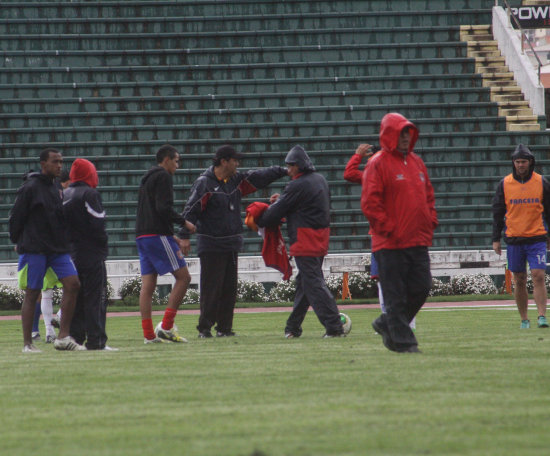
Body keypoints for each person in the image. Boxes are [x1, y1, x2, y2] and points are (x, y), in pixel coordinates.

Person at [181, 145, 288, 338]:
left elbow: (259, 176)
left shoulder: (236, 181)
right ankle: (204, 329)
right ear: (224, 161)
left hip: (231, 243)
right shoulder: (204, 183)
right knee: (211, 289)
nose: (237, 164)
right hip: (211, 243)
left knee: (229, 289)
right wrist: (184, 235)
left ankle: (224, 328)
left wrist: (283, 170)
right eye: (235, 160)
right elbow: (191, 210)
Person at [361, 113, 438, 353]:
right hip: (390, 243)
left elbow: (428, 195)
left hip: (417, 239)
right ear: (389, 134)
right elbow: (370, 202)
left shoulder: (417, 162)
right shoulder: (377, 163)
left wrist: (430, 220)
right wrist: (388, 229)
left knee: (422, 287)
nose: (406, 137)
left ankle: (387, 322)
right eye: (401, 132)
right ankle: (405, 344)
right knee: (395, 296)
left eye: (408, 133)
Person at [255, 145, 346, 338]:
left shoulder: (297, 185)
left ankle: (334, 326)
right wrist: (284, 200)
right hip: (320, 238)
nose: (288, 171)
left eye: (290, 166)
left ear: (298, 166)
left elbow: (276, 212)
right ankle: (293, 328)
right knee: (305, 284)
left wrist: (260, 219)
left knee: (313, 284)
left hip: (305, 240)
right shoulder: (319, 180)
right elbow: (303, 204)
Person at [9, 148, 85, 352]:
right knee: (33, 292)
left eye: (61, 161)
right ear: (44, 164)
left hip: (57, 249)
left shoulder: (55, 187)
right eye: (55, 162)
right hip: (35, 248)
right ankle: (27, 344)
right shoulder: (30, 188)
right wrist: (18, 240)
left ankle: (62, 337)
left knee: (73, 284)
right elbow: (16, 218)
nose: (60, 165)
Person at [343, 144, 417, 331]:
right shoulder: (397, 175)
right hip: (396, 233)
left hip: (384, 235)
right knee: (391, 279)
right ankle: (402, 321)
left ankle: (393, 319)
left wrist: (357, 156)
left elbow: (349, 174)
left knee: (386, 279)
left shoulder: (374, 176)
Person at [136, 144, 196, 344]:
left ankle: (148, 335)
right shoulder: (163, 176)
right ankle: (167, 326)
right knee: (184, 277)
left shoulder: (147, 179)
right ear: (167, 160)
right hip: (156, 235)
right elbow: (163, 208)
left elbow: (152, 210)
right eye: (176, 161)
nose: (177, 166)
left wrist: (173, 237)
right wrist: (184, 222)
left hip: (143, 236)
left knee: (148, 285)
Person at [492, 144, 550, 329]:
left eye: (523, 161)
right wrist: (496, 238)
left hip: (537, 238)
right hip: (514, 239)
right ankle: (524, 319)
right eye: (517, 162)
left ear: (530, 162)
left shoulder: (542, 182)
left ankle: (542, 316)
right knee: (519, 279)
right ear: (513, 163)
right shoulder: (505, 184)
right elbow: (498, 212)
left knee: (538, 275)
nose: (520, 165)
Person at [63, 158, 116, 350]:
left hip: (72, 253)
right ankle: (97, 340)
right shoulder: (90, 194)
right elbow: (97, 225)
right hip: (92, 253)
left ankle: (76, 338)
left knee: (77, 298)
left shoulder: (66, 193)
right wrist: (102, 245)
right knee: (96, 298)